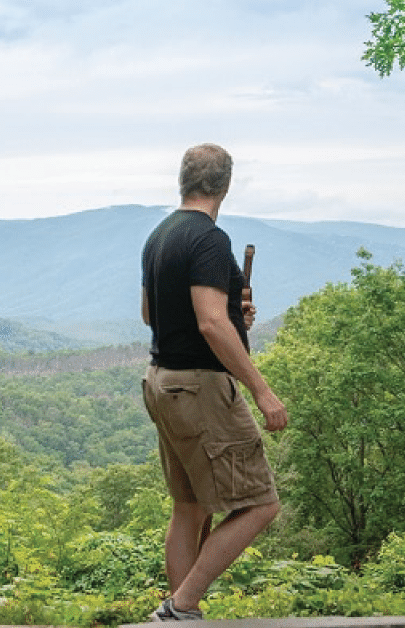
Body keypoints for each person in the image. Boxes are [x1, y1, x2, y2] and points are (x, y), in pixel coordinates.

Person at [139, 144, 289, 621]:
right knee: (261, 504)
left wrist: (230, 313)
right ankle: (182, 604)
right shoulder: (208, 239)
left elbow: (151, 314)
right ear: (224, 186)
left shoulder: (158, 236)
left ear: (183, 181)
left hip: (161, 382)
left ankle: (181, 614)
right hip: (200, 389)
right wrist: (262, 391)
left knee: (189, 507)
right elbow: (209, 323)